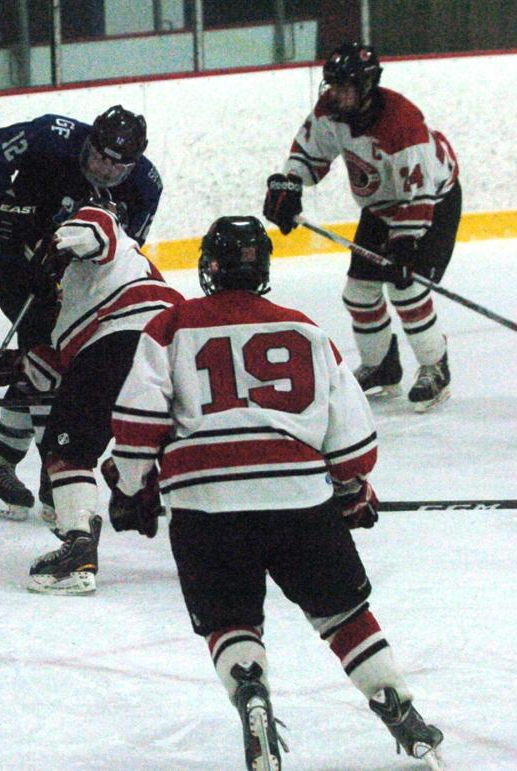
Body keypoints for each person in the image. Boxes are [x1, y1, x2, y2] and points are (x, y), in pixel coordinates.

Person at [107, 216, 443, 769]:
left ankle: (252, 693)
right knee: (343, 615)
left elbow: (137, 423)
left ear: (208, 268)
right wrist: (352, 490)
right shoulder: (305, 329)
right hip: (300, 504)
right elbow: (354, 442)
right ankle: (399, 707)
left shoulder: (170, 326)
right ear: (263, 269)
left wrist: (129, 487)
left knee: (230, 620)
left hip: (204, 506)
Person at [0, 200, 182, 594]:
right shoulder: (79, 294)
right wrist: (13, 368)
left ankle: (78, 548)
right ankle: (143, 484)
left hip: (125, 341)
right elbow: (58, 371)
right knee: (169, 437)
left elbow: (94, 227)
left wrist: (56, 245)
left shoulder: (107, 239)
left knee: (68, 450)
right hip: (174, 351)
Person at [0, 104, 163, 519]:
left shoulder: (146, 185)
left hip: (71, 278)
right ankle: (50, 476)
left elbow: (122, 247)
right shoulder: (51, 135)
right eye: (99, 157)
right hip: (14, 260)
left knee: (49, 363)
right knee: (45, 359)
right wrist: (6, 203)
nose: (106, 171)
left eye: (117, 165)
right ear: (88, 141)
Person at [263, 42, 461, 413]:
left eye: (344, 87)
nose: (334, 93)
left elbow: (417, 199)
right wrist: (289, 185)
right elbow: (309, 154)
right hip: (381, 206)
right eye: (332, 85)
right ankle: (382, 365)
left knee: (406, 288)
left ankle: (436, 366)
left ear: (367, 86)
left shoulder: (403, 126)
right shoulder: (332, 111)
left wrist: (405, 247)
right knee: (359, 293)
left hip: (433, 204)